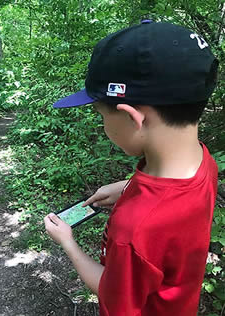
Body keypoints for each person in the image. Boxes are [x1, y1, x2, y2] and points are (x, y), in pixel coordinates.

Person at [44, 20, 219, 316]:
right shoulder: (203, 163)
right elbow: (175, 199)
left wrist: (68, 242)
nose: (103, 126)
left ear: (132, 117)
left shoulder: (135, 228)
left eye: (102, 115)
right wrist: (128, 187)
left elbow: (111, 293)